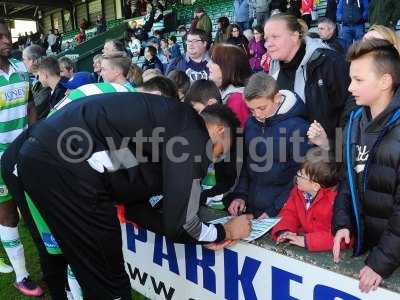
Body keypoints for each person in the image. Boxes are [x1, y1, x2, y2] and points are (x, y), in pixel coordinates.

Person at [6, 92, 252, 299]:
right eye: (222, 151)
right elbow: (182, 225)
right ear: (220, 129)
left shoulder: (167, 126)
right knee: (108, 275)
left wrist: (195, 229)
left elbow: (137, 208)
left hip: (40, 156)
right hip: (63, 165)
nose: (215, 159)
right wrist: (227, 231)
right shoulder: (192, 134)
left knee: (91, 269)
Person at [333, 39, 400, 293]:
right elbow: (347, 180)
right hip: (370, 248)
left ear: (385, 81)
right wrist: (342, 223)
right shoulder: (355, 120)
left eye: (358, 80)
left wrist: (381, 262)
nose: (350, 87)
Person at [228, 72, 310, 219]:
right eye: (251, 110)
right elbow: (247, 165)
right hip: (253, 208)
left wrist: (274, 210)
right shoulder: (251, 124)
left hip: (283, 212)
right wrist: (240, 195)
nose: (257, 114)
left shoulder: (299, 128)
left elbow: (300, 178)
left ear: (277, 98)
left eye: (262, 108)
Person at [0, 20, 43, 296]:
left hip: (24, 153)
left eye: (7, 35)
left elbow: (30, 107)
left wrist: (34, 137)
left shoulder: (19, 68)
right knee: (7, 216)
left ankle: (52, 266)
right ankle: (22, 274)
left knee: (37, 213)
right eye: (1, 36)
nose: (7, 40)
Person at [265, 13, 350, 139]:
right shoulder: (274, 68)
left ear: (295, 36)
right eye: (266, 39)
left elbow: (348, 113)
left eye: (275, 37)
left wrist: (333, 148)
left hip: (325, 153)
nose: (268, 44)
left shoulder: (329, 62)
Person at [271, 148, 346, 252]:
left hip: (326, 255)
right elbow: (288, 212)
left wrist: (306, 241)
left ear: (315, 186)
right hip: (304, 242)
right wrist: (284, 231)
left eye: (301, 175)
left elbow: (341, 238)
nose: (297, 176)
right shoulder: (298, 192)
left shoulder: (335, 202)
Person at [208, 43, 252, 127]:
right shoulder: (231, 95)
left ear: (227, 67)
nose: (208, 65)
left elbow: (238, 137)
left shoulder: (237, 100)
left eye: (213, 62)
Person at [22, 45, 50, 120]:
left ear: (33, 61)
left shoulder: (44, 80)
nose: (23, 62)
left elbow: (37, 108)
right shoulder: (37, 79)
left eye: (24, 59)